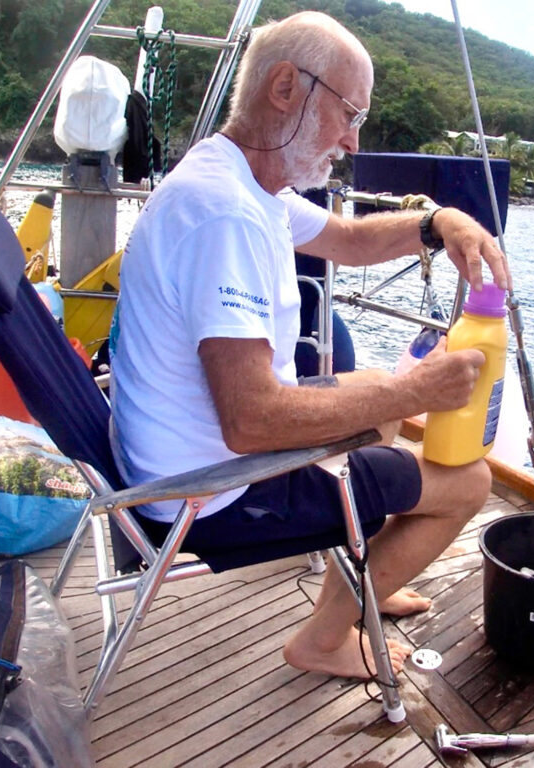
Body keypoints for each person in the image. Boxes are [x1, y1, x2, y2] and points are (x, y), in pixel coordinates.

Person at [109, 10, 511, 680]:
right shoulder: (225, 213)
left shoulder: (243, 180)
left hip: (169, 459)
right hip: (209, 495)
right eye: (349, 113)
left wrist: (438, 221)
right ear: (286, 88)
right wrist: (417, 390)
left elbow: (349, 241)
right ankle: (326, 637)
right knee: (471, 481)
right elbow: (252, 421)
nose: (353, 141)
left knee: (372, 398)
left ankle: (363, 580)